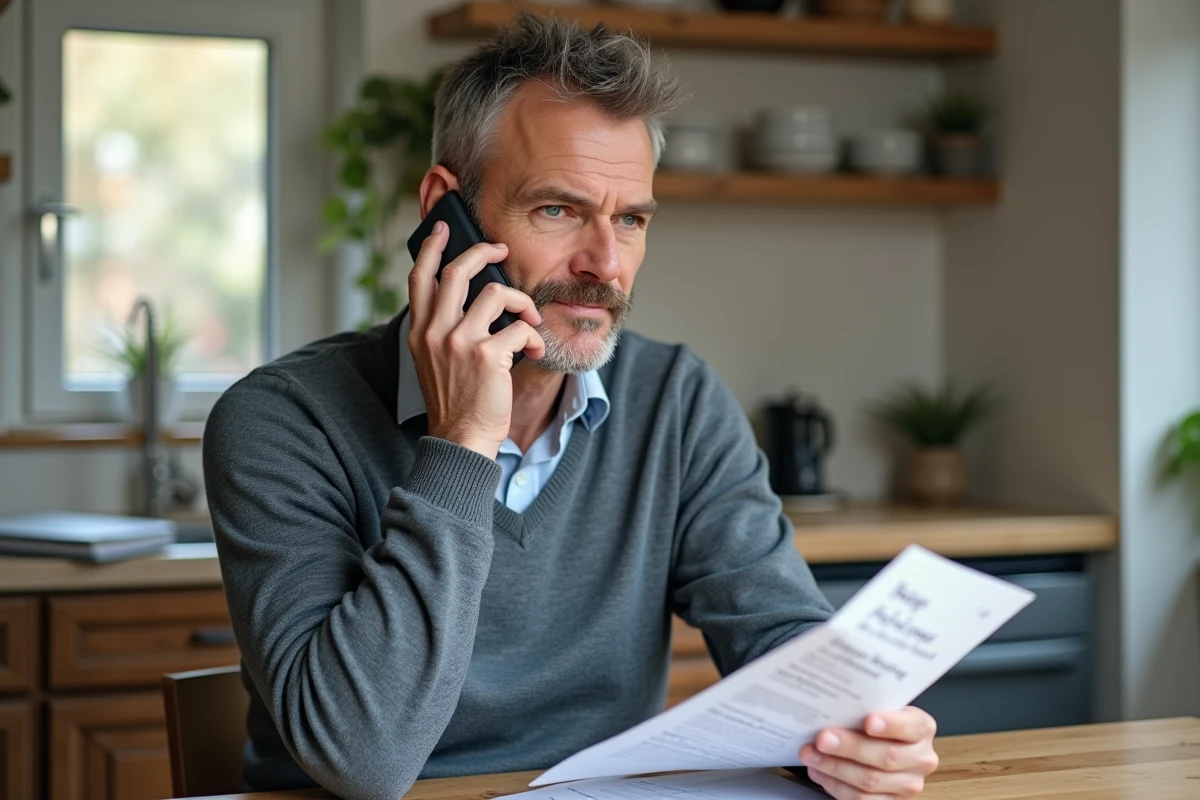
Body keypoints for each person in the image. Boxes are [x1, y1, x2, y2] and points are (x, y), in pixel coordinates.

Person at [203, 12, 939, 800]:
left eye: (631, 219)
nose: (606, 266)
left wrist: (850, 735)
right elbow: (362, 759)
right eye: (559, 210)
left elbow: (782, 645)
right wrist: (462, 444)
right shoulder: (281, 421)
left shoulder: (676, 403)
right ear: (444, 215)